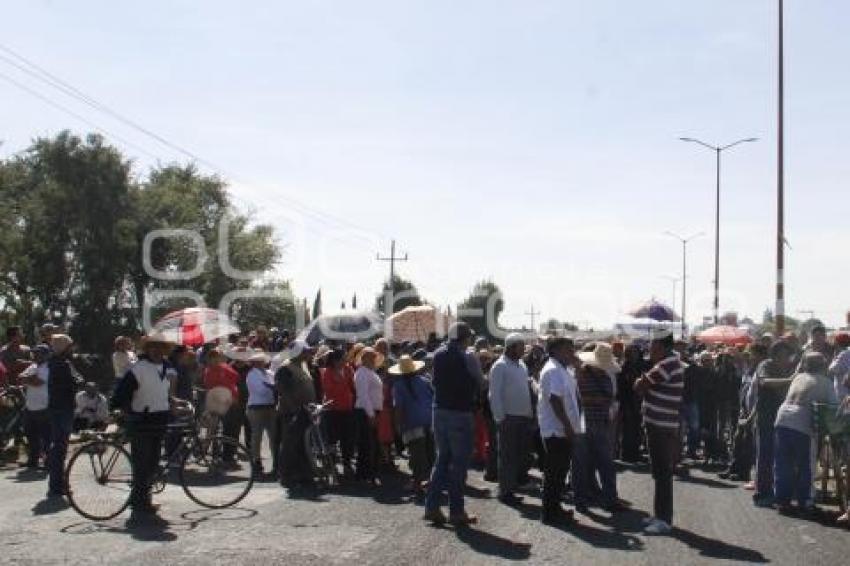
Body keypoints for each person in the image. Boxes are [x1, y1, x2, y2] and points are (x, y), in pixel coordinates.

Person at [111, 334, 180, 522]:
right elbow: (121, 394)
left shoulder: (166, 368)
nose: (157, 351)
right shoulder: (138, 368)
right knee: (142, 463)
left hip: (160, 419)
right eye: (153, 347)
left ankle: (143, 498)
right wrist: (124, 412)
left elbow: (162, 392)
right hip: (142, 420)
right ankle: (140, 503)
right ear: (147, 349)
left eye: (160, 348)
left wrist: (173, 402)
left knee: (152, 462)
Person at [423, 322, 482, 526]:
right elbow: (480, 382)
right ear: (465, 338)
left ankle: (432, 506)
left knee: (441, 460)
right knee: (459, 464)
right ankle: (456, 512)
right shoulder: (468, 356)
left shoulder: (437, 354)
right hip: (460, 412)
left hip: (439, 410)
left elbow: (433, 382)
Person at [773, 352, 838, 514]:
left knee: (784, 463)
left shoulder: (798, 377)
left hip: (783, 418)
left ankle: (783, 500)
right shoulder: (826, 382)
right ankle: (806, 501)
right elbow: (834, 407)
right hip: (802, 423)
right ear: (823, 366)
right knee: (806, 465)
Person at [634, 331, 685, 535]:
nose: (650, 351)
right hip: (661, 423)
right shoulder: (670, 364)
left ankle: (664, 519)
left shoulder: (667, 365)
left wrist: (641, 382)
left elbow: (639, 386)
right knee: (659, 472)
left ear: (663, 347)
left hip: (660, 424)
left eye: (653, 347)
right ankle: (659, 515)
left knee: (662, 473)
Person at [538, 337, 581, 525]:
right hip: (557, 429)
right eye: (567, 349)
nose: (572, 353)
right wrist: (567, 426)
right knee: (554, 472)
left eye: (572, 349)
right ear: (555, 351)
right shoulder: (554, 370)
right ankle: (549, 513)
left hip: (562, 429)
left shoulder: (563, 369)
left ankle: (555, 508)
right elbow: (555, 400)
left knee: (560, 471)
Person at [574, 342, 621, 513]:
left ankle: (609, 500)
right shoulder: (579, 375)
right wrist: (596, 401)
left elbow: (610, 399)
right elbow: (575, 400)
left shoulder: (605, 377)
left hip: (601, 423)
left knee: (606, 464)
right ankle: (581, 501)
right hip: (583, 424)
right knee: (581, 465)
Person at [488, 333, 533, 505]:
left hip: (522, 417)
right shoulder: (500, 366)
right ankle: (505, 492)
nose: (523, 350)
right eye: (521, 346)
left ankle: (513, 485)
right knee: (507, 456)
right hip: (508, 418)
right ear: (512, 347)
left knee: (519, 455)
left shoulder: (521, 365)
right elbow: (494, 395)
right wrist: (500, 418)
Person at [752, 340, 796, 506]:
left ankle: (774, 492)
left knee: (776, 457)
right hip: (766, 417)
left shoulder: (786, 368)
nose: (787, 359)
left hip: (780, 418)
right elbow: (764, 382)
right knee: (765, 456)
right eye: (785, 355)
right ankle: (762, 494)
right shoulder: (766, 364)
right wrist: (789, 380)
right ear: (776, 354)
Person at [390, 354, 435, 496]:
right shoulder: (425, 380)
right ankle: (431, 481)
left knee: (416, 454)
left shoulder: (398, 386)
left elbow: (399, 408)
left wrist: (397, 425)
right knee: (429, 452)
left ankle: (417, 483)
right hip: (429, 420)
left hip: (412, 423)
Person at [275, 340, 317, 488]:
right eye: (305, 351)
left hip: (306, 411)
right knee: (289, 444)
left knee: (303, 445)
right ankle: (286, 475)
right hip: (291, 412)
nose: (308, 353)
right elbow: (283, 391)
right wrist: (294, 409)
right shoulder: (285, 369)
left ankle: (304, 474)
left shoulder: (304, 366)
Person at [46, 334, 82, 498]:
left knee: (57, 446)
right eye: (69, 347)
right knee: (60, 447)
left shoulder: (53, 363)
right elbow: (76, 381)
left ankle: (56, 484)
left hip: (55, 407)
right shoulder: (63, 364)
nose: (72, 350)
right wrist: (79, 380)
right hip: (64, 408)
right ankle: (58, 485)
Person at [321, 349, 356, 477]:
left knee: (347, 439)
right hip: (333, 410)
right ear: (336, 361)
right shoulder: (327, 372)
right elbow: (329, 391)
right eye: (343, 358)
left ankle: (347, 463)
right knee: (332, 439)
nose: (345, 361)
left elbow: (353, 386)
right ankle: (332, 464)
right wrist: (343, 385)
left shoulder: (348, 370)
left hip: (347, 409)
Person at [203, 348, 242, 459]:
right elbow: (209, 385)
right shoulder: (209, 370)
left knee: (228, 428)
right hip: (216, 402)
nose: (215, 359)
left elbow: (236, 377)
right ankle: (208, 451)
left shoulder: (224, 367)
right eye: (213, 357)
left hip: (229, 401)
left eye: (217, 357)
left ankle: (226, 453)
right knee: (213, 428)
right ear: (209, 359)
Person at [353, 347, 384, 484]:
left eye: (374, 356)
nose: (373, 359)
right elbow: (363, 395)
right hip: (365, 411)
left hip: (371, 411)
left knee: (372, 444)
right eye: (370, 357)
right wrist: (371, 414)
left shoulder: (369, 372)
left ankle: (369, 473)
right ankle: (365, 474)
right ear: (364, 358)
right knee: (367, 444)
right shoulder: (362, 373)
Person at [19, 345, 51, 469]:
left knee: (46, 436)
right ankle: (33, 460)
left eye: (39, 353)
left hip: (44, 407)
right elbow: (20, 378)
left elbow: (38, 382)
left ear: (46, 355)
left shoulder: (48, 367)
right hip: (30, 407)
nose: (35, 355)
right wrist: (30, 378)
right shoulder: (33, 366)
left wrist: (28, 379)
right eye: (34, 353)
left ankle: (49, 461)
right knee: (31, 436)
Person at [245, 350, 277, 475]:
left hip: (269, 406)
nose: (260, 363)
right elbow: (261, 390)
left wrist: (271, 386)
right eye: (258, 361)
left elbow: (271, 386)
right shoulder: (251, 375)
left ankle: (276, 462)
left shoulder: (269, 373)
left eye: (261, 361)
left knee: (273, 436)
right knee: (256, 436)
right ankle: (256, 461)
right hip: (256, 407)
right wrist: (272, 387)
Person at [617, 344, 648, 463]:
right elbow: (623, 387)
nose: (634, 354)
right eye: (631, 352)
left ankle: (635, 452)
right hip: (627, 402)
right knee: (628, 429)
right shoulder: (624, 367)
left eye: (635, 352)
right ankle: (627, 454)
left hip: (638, 401)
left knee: (636, 428)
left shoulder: (640, 366)